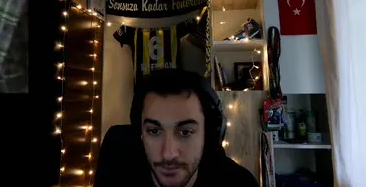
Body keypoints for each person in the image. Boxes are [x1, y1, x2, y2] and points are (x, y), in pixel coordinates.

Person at [95, 68, 258, 187]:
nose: (168, 154)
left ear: (208, 134)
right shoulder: (115, 175)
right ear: (141, 134)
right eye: (154, 131)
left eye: (185, 132)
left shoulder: (239, 183)